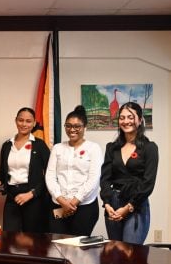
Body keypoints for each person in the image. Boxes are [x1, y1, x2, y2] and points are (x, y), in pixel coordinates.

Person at [100, 102, 158, 244]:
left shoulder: (149, 148)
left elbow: (148, 183)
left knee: (130, 253)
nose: (126, 121)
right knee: (116, 252)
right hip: (112, 204)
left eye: (130, 117)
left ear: (139, 120)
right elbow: (105, 179)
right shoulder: (111, 148)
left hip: (136, 204)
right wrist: (107, 204)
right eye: (122, 117)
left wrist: (128, 207)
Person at [0, 107, 50, 233]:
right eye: (21, 120)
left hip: (33, 199)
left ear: (34, 123)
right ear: (16, 121)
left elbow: (50, 176)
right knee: (10, 240)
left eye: (28, 121)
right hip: (12, 198)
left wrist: (31, 194)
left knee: (33, 241)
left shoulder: (40, 145)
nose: (24, 124)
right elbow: (2, 173)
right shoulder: (7, 145)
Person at [45, 105, 102, 236]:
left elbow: (93, 179)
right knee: (58, 246)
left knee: (79, 250)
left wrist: (74, 201)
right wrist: (61, 200)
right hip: (58, 204)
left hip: (84, 207)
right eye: (68, 126)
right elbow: (50, 176)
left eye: (77, 126)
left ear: (85, 127)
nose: (72, 130)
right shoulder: (57, 148)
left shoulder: (93, 148)